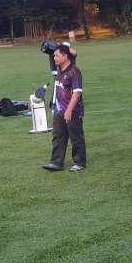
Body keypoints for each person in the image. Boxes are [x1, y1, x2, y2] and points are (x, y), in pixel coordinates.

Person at [43, 43, 87, 172]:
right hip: (59, 111)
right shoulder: (59, 71)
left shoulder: (74, 72)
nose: (54, 58)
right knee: (58, 136)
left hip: (73, 111)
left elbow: (77, 93)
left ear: (65, 56)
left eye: (57, 56)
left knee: (76, 137)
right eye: (54, 56)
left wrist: (69, 110)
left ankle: (80, 162)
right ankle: (56, 163)